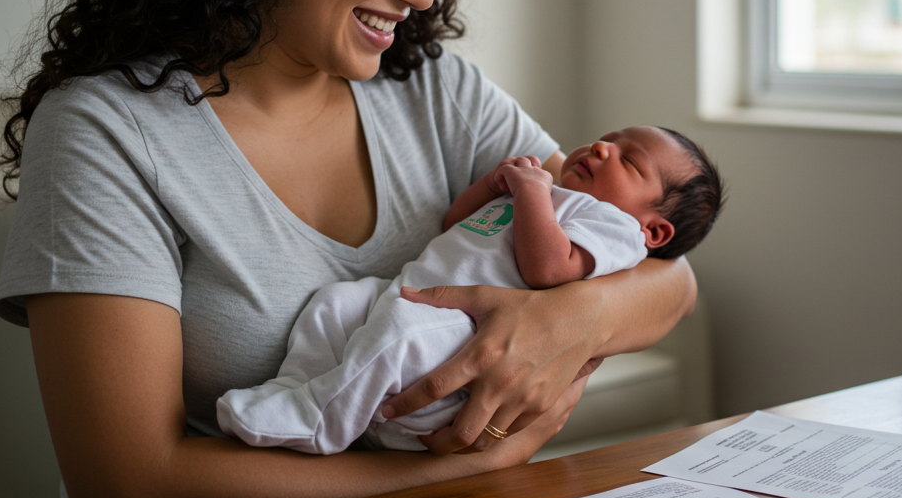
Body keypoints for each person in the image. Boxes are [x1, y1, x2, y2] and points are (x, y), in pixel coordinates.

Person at [0, 0, 696, 498]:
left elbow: (669, 277)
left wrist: (565, 319)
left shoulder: (435, 91)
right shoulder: (107, 131)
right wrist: (465, 469)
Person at [217, 126, 725, 455]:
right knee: (334, 304)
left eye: (629, 163)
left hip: (460, 343)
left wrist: (532, 192)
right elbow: (457, 224)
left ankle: (322, 420)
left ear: (654, 230)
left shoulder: (612, 228)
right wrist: (494, 185)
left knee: (398, 334)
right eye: (607, 139)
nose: (601, 148)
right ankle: (298, 388)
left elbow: (550, 270)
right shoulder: (551, 191)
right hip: (411, 298)